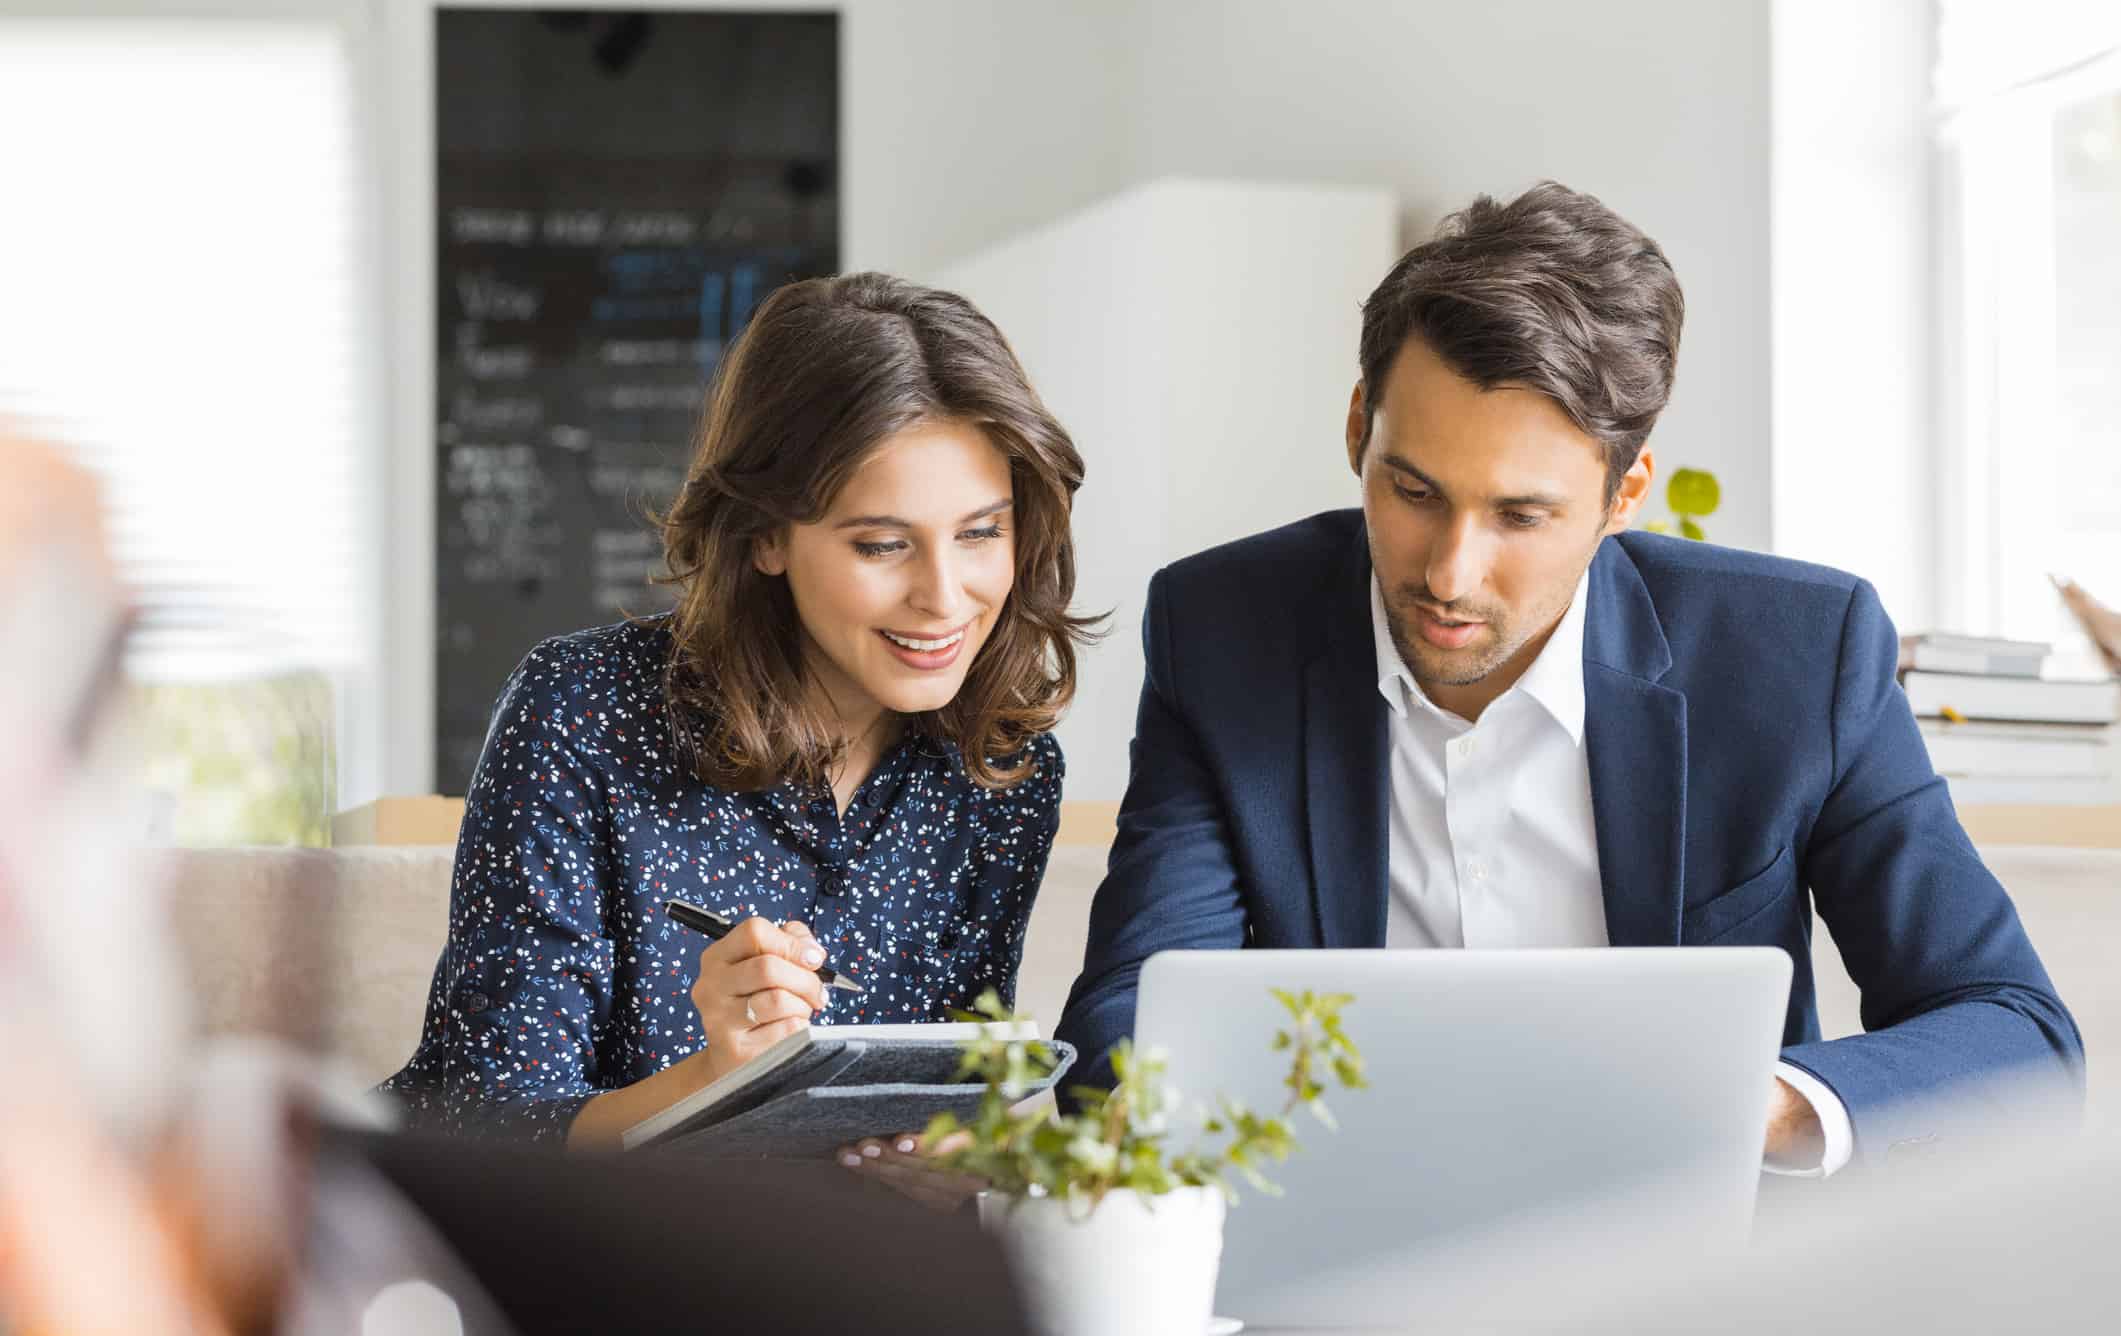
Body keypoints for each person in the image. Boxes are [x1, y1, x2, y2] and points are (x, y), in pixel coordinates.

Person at [1055, 183, 2081, 1175]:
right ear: (1360, 423)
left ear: (1624, 490)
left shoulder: (1800, 654)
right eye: (1413, 490)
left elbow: (2015, 1031)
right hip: (1332, 1257)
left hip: (1692, 1274)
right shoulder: (1226, 628)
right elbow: (1127, 1025)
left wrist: (1748, 1107)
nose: (1449, 573)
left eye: (1521, 515)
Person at [385, 275, 1098, 1188]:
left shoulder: (1005, 774)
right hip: (548, 1258)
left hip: (817, 1280)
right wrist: (718, 1082)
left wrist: (952, 1162)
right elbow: (485, 1126)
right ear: (765, 537)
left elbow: (949, 1099)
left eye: (980, 533)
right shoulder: (580, 711)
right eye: (881, 545)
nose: (945, 597)